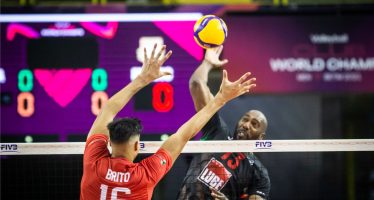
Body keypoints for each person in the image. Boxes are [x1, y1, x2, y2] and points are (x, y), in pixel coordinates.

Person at [80, 44, 256, 200]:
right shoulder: (145, 174)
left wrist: (141, 79)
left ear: (109, 142)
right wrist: (220, 99)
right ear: (136, 147)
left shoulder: (93, 162)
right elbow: (182, 136)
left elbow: (107, 110)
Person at [177, 46, 270, 200]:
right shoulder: (217, 130)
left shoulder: (259, 173)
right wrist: (207, 62)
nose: (246, 125)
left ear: (261, 137)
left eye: (254, 124)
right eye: (245, 119)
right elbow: (196, 84)